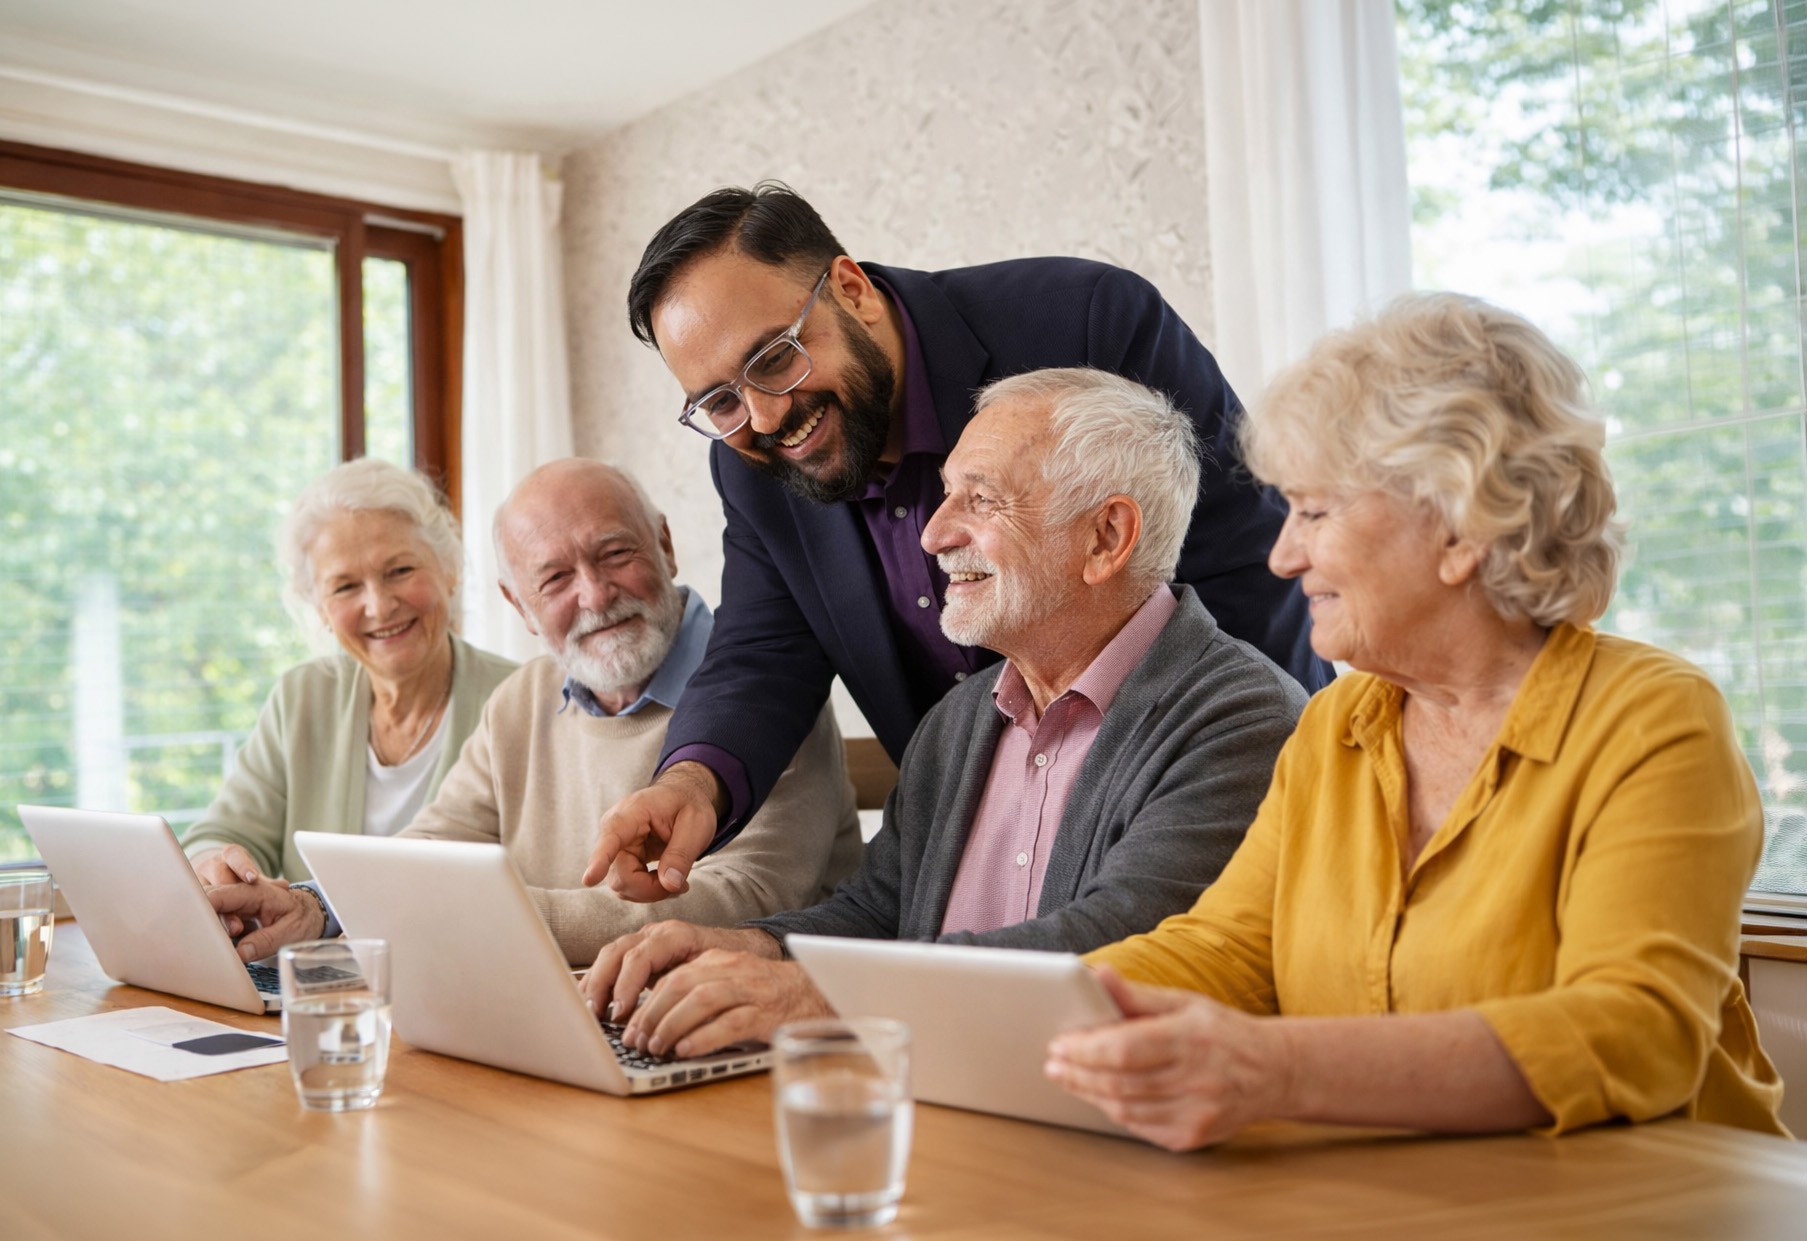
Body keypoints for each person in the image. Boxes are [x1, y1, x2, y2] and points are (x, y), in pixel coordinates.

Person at [1039, 293, 1786, 1146]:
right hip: (1410, 1208)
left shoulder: (1650, 719)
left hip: (1648, 1220)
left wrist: (1276, 1069)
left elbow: (1632, 1034)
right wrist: (1021, 1012)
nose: (1282, 555)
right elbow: (1225, 952)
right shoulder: (1335, 727)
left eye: (1314, 510)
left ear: (1462, 525)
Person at [587, 183, 1332, 902]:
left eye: (775, 357)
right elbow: (762, 650)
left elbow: (1247, 564)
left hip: (1188, 804)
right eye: (718, 400)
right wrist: (689, 784)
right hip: (974, 856)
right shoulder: (749, 467)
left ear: (849, 288)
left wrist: (1239, 772)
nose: (766, 414)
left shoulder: (1086, 323)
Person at [581, 369, 1306, 1059]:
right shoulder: (960, 718)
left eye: (980, 500)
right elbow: (879, 913)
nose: (933, 533)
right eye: (946, 493)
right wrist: (750, 946)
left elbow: (1118, 943)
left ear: (1105, 538)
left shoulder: (1239, 717)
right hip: (938, 1100)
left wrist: (832, 996)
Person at [205, 458, 863, 964]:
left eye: (615, 554)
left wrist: (492, 914)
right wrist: (316, 909)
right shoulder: (522, 699)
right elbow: (431, 847)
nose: (595, 594)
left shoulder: (765, 691)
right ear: (517, 605)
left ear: (663, 545)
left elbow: (752, 899)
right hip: (568, 1016)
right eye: (553, 578)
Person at [183, 458, 517, 891]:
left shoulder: (520, 700)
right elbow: (220, 834)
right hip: (311, 961)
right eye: (345, 587)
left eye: (399, 571)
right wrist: (217, 862)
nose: (379, 606)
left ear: (449, 569)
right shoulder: (302, 697)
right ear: (320, 608)